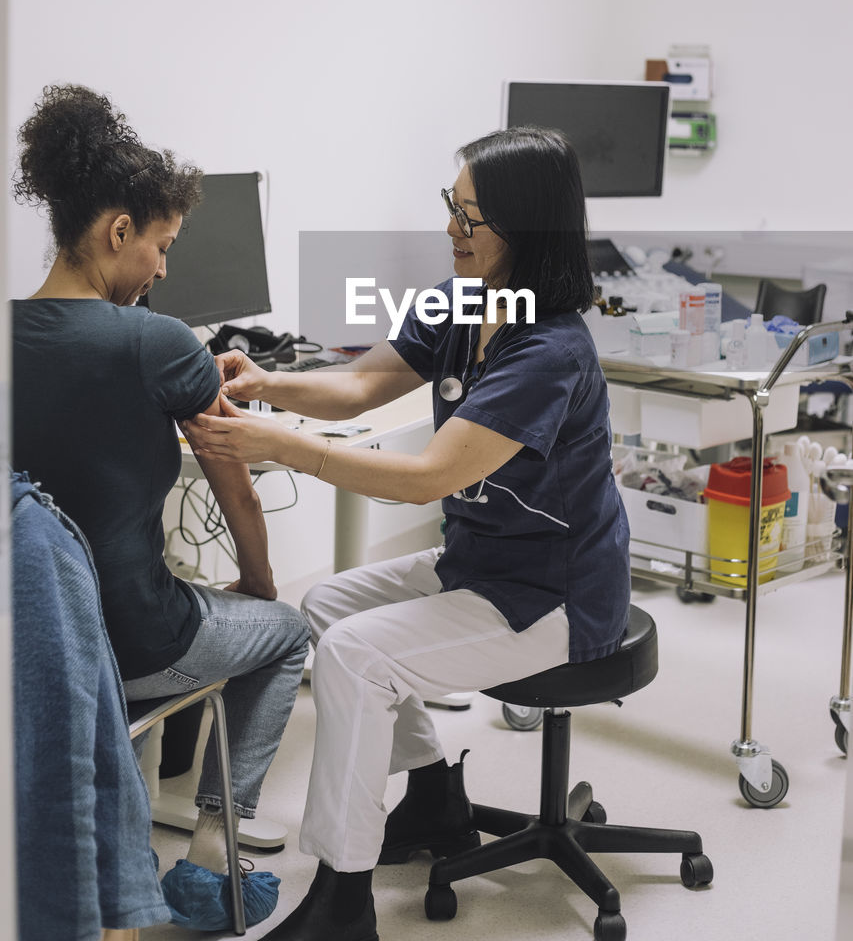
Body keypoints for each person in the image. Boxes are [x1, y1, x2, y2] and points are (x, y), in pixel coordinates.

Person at [182, 125, 631, 941]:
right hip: (480, 563)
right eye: (450, 209)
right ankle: (432, 793)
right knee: (326, 607)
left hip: (552, 595)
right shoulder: (459, 304)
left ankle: (343, 900)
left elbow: (430, 476)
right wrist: (265, 385)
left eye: (472, 218)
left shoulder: (550, 350)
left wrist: (278, 445)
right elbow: (359, 382)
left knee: (359, 654)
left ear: (525, 229)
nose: (451, 231)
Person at [11, 84, 310, 917]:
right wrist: (257, 584)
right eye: (163, 245)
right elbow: (238, 491)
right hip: (134, 641)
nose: (165, 269)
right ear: (117, 231)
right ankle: (212, 868)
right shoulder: (158, 340)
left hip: (33, 648)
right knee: (287, 635)